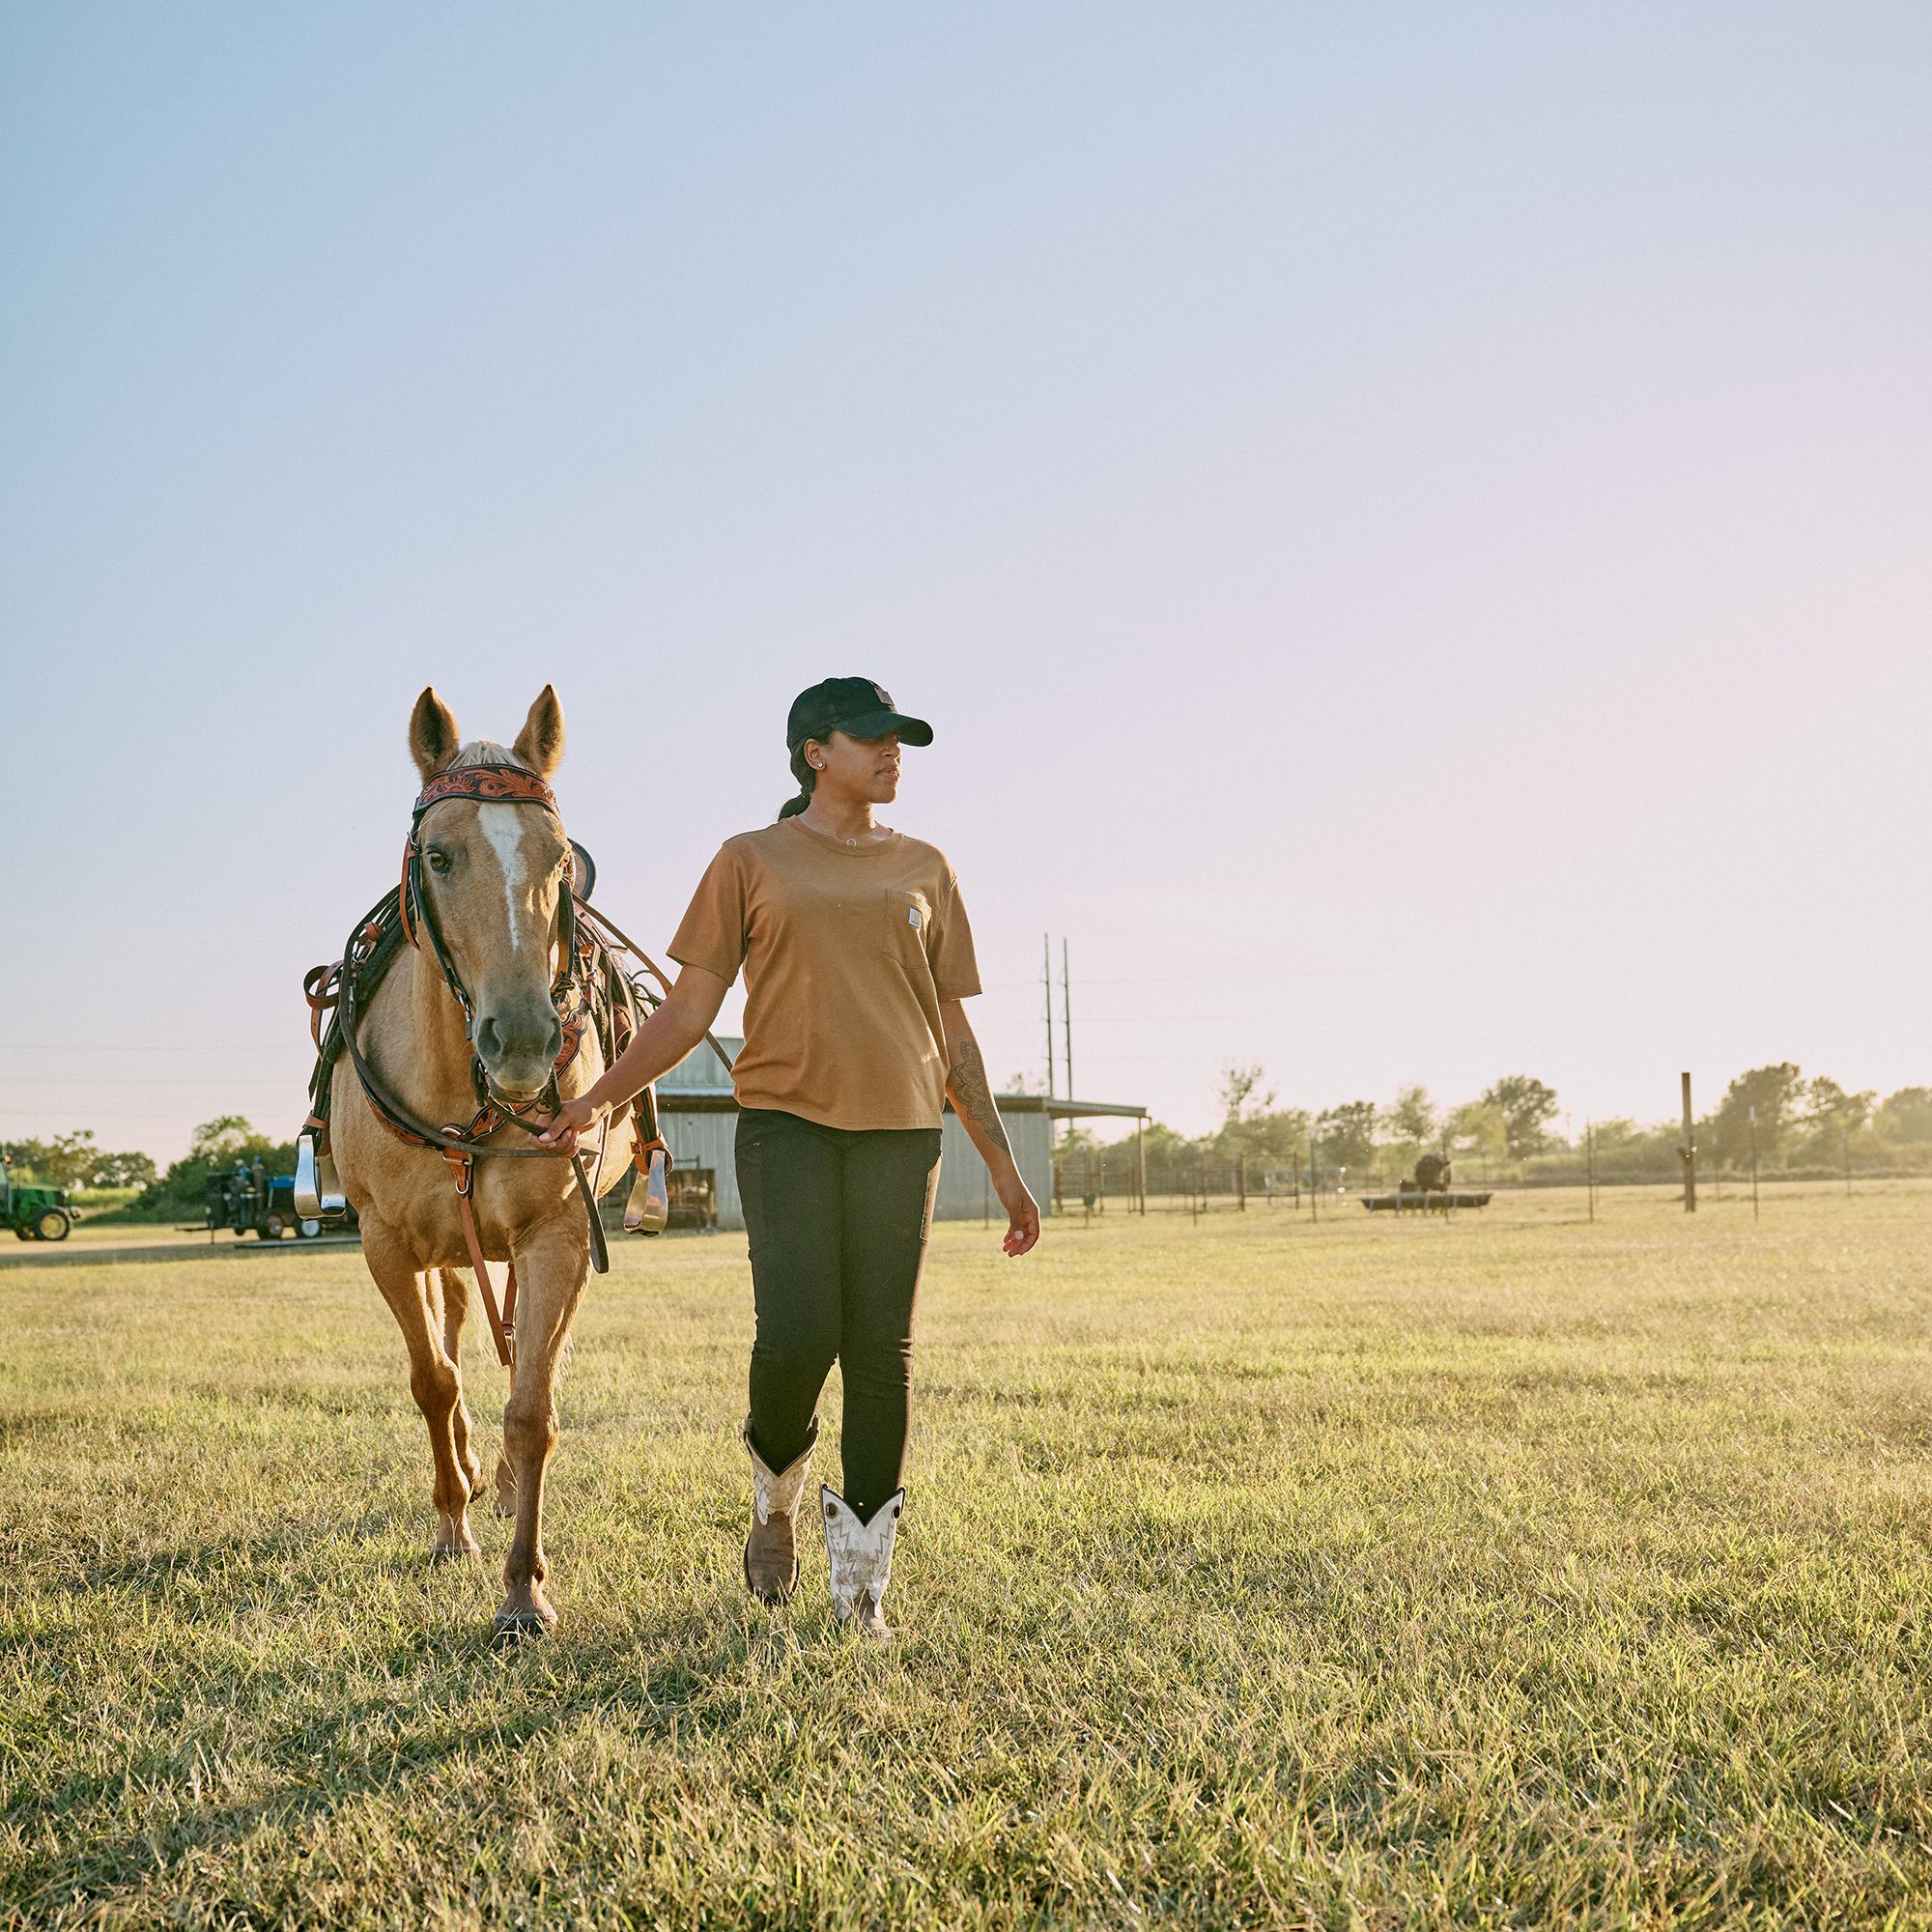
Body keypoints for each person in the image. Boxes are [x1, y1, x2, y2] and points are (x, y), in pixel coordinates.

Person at [538, 677, 1039, 1636]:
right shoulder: (749, 858)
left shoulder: (927, 867)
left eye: (902, 741)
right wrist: (595, 1097)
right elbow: (687, 1007)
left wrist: (1004, 1168)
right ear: (815, 749)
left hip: (901, 1134)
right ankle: (773, 1500)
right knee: (800, 1332)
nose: (893, 754)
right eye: (873, 738)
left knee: (881, 1359)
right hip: (784, 1127)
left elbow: (952, 1030)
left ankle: (861, 1590)